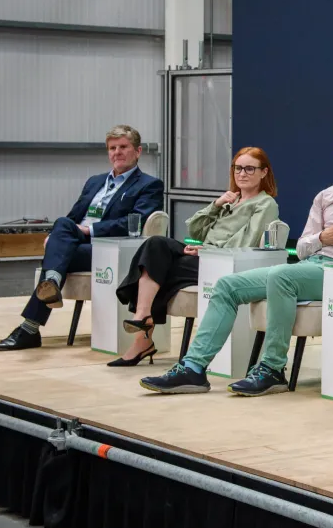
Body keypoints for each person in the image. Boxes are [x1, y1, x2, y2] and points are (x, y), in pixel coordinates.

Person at [138, 120, 333, 396]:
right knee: (227, 286)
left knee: (281, 276)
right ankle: (193, 368)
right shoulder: (325, 196)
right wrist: (323, 238)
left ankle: (272, 368)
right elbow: (302, 247)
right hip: (314, 265)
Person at [0, 125, 164, 352]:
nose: (117, 152)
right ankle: (47, 290)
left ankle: (30, 326)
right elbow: (72, 218)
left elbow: (136, 222)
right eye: (112, 148)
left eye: (123, 147)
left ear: (138, 151)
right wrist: (55, 237)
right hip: (76, 243)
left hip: (109, 249)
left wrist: (90, 231)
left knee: (59, 256)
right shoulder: (95, 181)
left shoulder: (149, 185)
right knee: (62, 224)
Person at [108, 148, 280, 367]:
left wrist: (207, 252)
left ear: (264, 172)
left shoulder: (265, 204)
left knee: (158, 267)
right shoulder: (230, 199)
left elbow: (246, 241)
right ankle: (142, 315)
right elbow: (194, 231)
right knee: (155, 244)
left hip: (224, 261)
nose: (242, 174)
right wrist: (216, 205)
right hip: (204, 254)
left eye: (249, 168)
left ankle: (143, 335)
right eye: (238, 168)